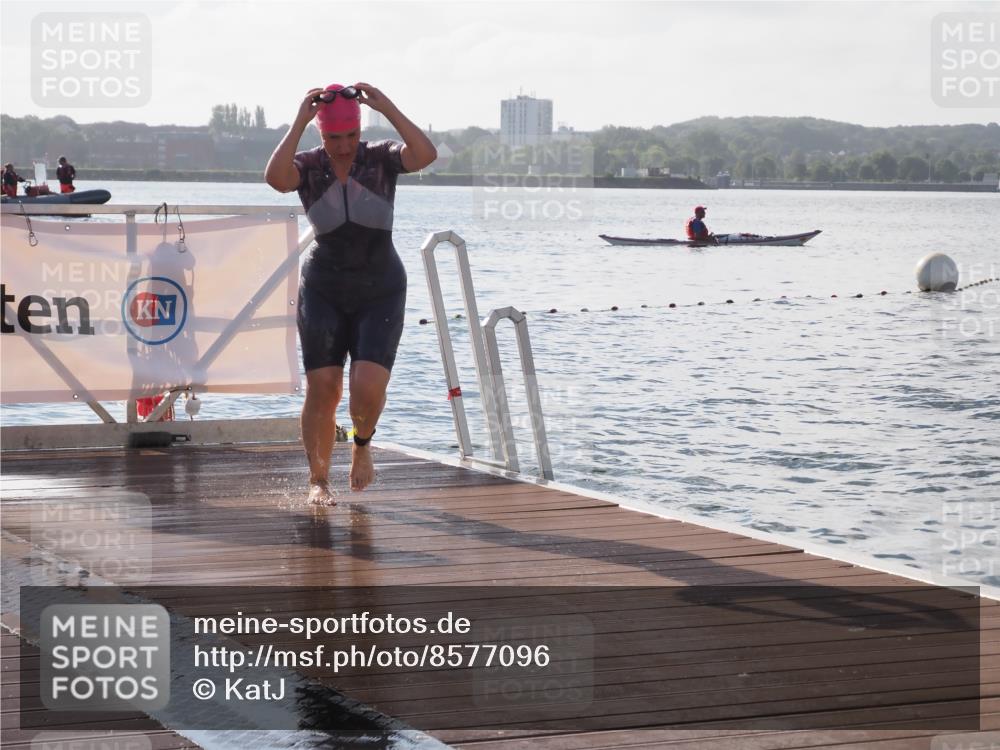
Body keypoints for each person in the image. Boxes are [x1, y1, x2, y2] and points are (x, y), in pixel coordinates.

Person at [265, 83, 436, 504]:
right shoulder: (307, 166)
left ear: (360, 131)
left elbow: (425, 155)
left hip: (380, 287)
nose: (342, 147)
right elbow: (275, 178)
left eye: (350, 136)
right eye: (333, 138)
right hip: (324, 286)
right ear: (321, 136)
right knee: (322, 388)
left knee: (366, 387)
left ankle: (361, 446)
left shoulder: (380, 158)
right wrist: (299, 121)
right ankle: (318, 480)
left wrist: (388, 108)